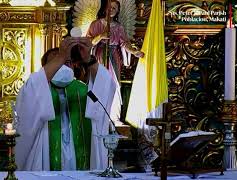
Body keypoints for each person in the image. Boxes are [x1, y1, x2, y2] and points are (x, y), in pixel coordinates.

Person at [15, 37, 116, 171]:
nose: (62, 66)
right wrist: (61, 56)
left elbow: (106, 87)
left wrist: (88, 58)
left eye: (67, 62)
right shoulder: (37, 91)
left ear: (74, 65)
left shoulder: (84, 91)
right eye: (56, 62)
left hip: (80, 159)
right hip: (45, 161)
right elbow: (28, 97)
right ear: (46, 68)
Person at [86, 0, 144, 123]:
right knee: (98, 83)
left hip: (113, 57)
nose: (111, 10)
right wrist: (100, 36)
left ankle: (113, 116)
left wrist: (134, 52)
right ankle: (97, 113)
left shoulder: (119, 27)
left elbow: (124, 43)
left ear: (117, 11)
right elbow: (88, 42)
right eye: (109, 7)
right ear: (104, 9)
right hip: (100, 56)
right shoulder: (95, 24)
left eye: (114, 8)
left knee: (114, 84)